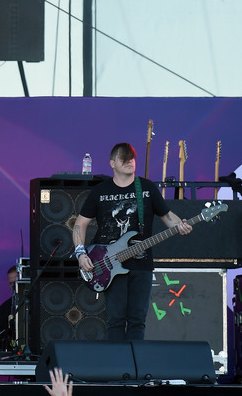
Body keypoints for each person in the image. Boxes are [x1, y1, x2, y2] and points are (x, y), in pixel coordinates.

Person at [73, 143, 192, 341]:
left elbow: (167, 216)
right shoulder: (100, 191)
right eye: (124, 158)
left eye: (132, 158)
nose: (130, 161)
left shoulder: (146, 188)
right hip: (109, 264)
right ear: (112, 163)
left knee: (137, 320)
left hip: (141, 264)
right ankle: (118, 369)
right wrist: (80, 253)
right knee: (116, 320)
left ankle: (135, 369)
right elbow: (79, 224)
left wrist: (181, 225)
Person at [0, 265, 18, 348]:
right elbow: (0, 333)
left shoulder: (37, 304)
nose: (13, 286)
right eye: (10, 283)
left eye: (16, 282)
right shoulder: (4, 307)